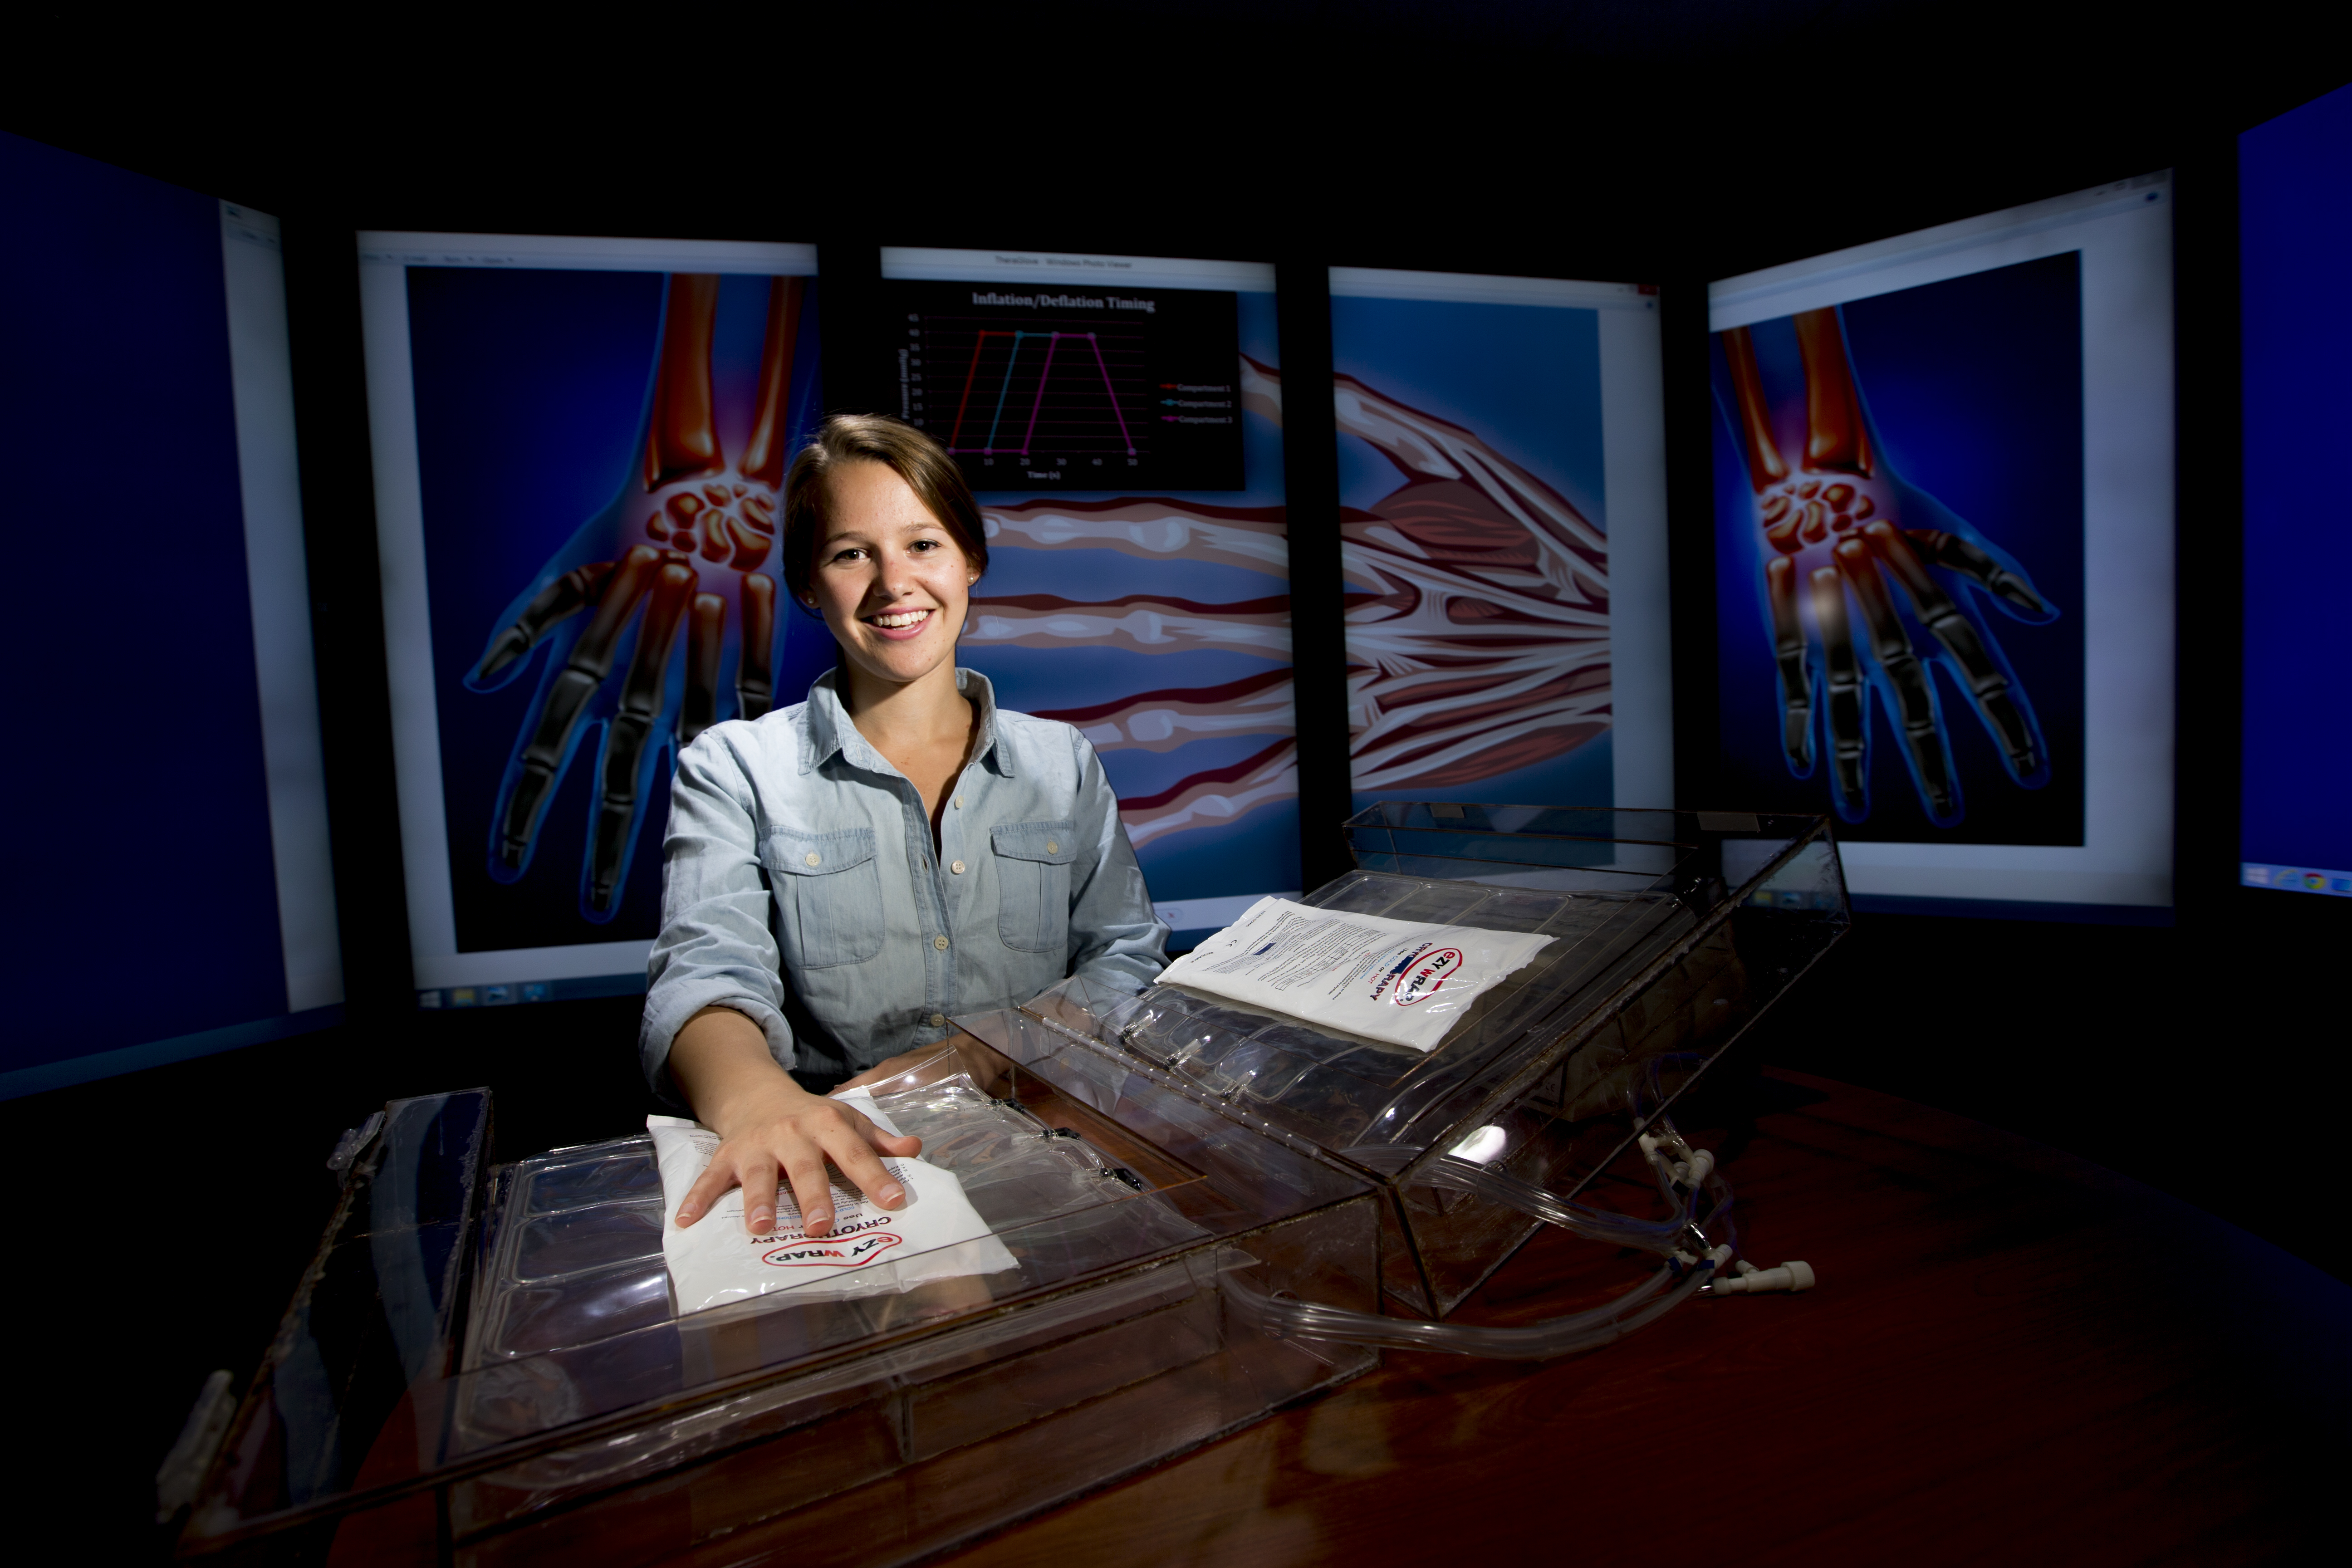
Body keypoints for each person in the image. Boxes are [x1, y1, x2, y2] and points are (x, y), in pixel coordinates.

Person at [642, 415, 1168, 1242]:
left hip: (1053, 1155)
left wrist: (980, 1055)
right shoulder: (734, 767)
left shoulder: (1062, 761)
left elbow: (1125, 958)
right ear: (810, 585)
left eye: (923, 545)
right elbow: (706, 974)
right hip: (844, 1173)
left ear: (971, 561)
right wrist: (758, 1103)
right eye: (853, 554)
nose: (894, 583)